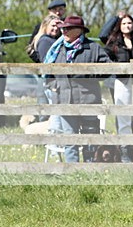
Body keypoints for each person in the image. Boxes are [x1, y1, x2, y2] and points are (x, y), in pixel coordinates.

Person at [43, 15, 110, 162]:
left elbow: (108, 69)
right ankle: (72, 170)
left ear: (79, 30)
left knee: (90, 138)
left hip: (88, 100)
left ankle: (90, 168)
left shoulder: (93, 48)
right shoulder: (57, 49)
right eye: (63, 29)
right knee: (69, 138)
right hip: (64, 100)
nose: (64, 31)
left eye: (68, 29)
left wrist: (88, 75)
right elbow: (47, 73)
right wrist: (55, 87)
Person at [102, 12, 133, 162]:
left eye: (129, 23)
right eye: (124, 23)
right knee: (123, 115)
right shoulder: (114, 42)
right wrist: (116, 67)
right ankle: (125, 150)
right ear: (119, 25)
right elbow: (105, 56)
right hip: (122, 81)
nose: (127, 26)